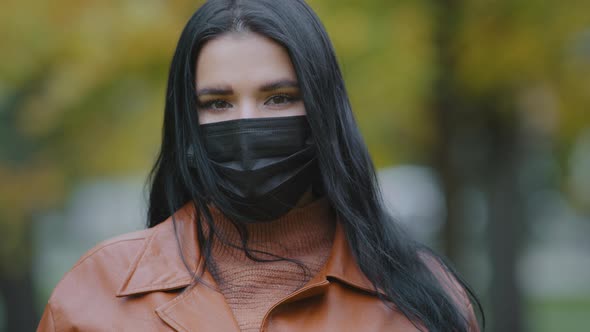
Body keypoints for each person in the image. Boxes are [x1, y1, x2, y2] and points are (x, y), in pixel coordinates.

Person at [37, 0, 483, 331]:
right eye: (217, 103)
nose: (247, 123)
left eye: (279, 98)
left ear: (323, 113)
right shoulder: (95, 291)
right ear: (188, 124)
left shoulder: (422, 302)